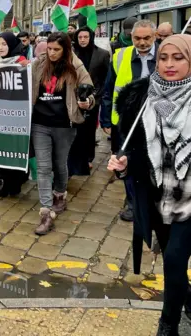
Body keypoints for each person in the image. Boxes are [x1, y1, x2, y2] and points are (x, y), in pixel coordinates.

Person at [108, 34, 191, 336]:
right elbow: (136, 150)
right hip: (159, 195)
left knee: (172, 259)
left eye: (178, 58)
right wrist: (125, 163)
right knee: (174, 260)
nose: (169, 64)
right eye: (164, 58)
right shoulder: (142, 97)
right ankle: (189, 302)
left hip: (190, 197)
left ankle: (167, 325)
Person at [31, 32, 94, 235]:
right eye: (49, 48)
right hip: (40, 123)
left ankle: (60, 195)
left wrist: (87, 101)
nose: (51, 53)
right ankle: (46, 213)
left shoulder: (76, 66)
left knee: (60, 165)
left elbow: (89, 90)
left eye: (56, 49)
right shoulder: (38, 65)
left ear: (66, 49)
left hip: (64, 125)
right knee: (43, 167)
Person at [101, 19, 157, 222]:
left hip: (155, 120)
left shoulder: (165, 56)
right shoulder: (120, 56)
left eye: (146, 38)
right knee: (124, 161)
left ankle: (151, 199)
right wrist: (106, 119)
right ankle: (132, 202)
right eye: (137, 38)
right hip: (125, 121)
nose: (142, 42)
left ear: (155, 36)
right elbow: (108, 90)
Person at [0, 32, 29, 194]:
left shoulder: (21, 62)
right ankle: (4, 179)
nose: (1, 47)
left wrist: (27, 68)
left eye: (4, 44)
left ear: (11, 45)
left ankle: (14, 183)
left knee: (13, 149)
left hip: (14, 114)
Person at [68, 26, 110, 176]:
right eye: (80, 37)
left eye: (85, 37)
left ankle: (88, 157)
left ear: (91, 38)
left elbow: (106, 77)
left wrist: (98, 95)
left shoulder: (102, 54)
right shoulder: (71, 54)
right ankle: (75, 158)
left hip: (94, 98)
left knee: (89, 129)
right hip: (74, 97)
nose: (83, 40)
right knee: (76, 129)